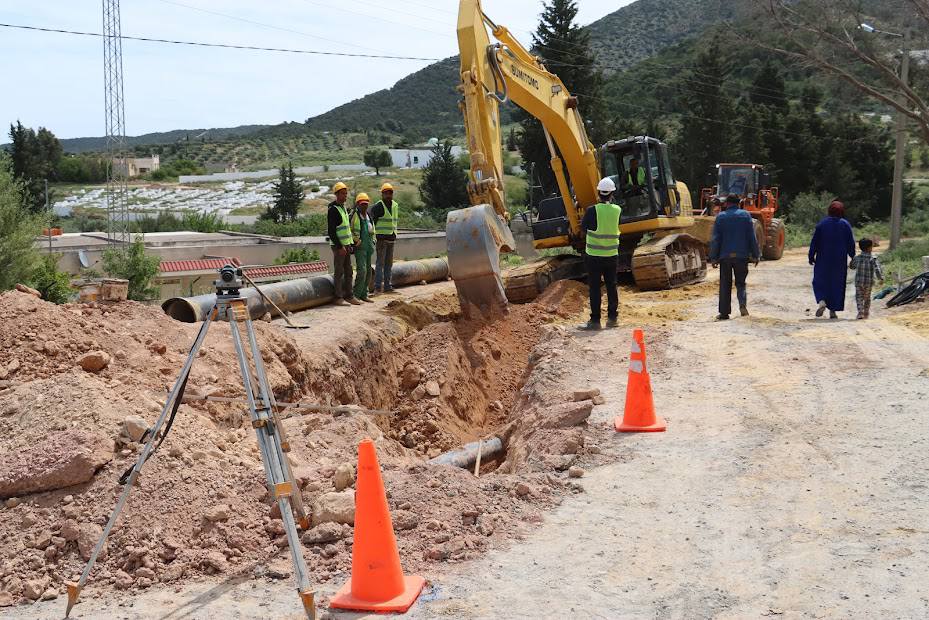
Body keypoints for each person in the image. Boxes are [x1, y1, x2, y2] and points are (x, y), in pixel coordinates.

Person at [578, 177, 622, 330]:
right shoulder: (617, 210)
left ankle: (595, 321)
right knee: (612, 286)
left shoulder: (592, 210)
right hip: (611, 255)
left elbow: (583, 229)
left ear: (598, 193)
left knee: (595, 288)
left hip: (594, 256)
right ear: (612, 194)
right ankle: (612, 318)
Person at [708, 193, 760, 320]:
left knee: (725, 284)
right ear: (739, 203)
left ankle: (724, 313)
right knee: (741, 283)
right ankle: (742, 304)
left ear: (726, 203)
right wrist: (756, 254)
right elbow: (751, 237)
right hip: (741, 256)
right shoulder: (746, 215)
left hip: (725, 256)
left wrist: (713, 257)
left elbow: (716, 239)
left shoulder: (721, 217)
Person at [809, 200, 856, 319]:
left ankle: (821, 301)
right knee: (837, 284)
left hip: (823, 258)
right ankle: (833, 311)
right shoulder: (845, 225)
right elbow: (851, 243)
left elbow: (814, 242)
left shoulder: (821, 224)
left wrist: (811, 256)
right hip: (839, 260)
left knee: (819, 280)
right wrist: (853, 256)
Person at [327, 181, 360, 306]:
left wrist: (350, 245)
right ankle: (338, 297)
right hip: (339, 246)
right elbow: (331, 231)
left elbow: (346, 230)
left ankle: (349, 295)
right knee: (339, 271)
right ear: (336, 194)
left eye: (346, 194)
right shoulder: (333, 210)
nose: (345, 196)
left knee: (349, 271)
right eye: (342, 193)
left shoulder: (344, 209)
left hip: (346, 245)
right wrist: (340, 246)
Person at [370, 182, 399, 294]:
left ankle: (387, 286)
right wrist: (374, 236)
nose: (388, 195)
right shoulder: (378, 206)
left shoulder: (395, 205)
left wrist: (395, 234)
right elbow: (372, 221)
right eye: (386, 193)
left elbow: (394, 221)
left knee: (389, 264)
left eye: (390, 193)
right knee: (380, 264)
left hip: (391, 238)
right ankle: (378, 287)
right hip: (381, 239)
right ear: (382, 194)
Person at [350, 193, 376, 304]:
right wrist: (356, 240)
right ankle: (356, 294)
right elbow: (351, 231)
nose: (364, 206)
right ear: (358, 204)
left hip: (369, 247)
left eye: (366, 204)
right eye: (362, 204)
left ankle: (364, 294)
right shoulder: (355, 216)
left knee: (368, 271)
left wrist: (374, 240)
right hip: (360, 248)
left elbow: (373, 230)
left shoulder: (369, 216)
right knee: (362, 270)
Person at [849, 238, 884, 319]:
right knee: (867, 298)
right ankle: (866, 313)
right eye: (871, 246)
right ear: (869, 248)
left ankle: (860, 313)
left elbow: (852, 267)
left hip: (859, 282)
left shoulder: (857, 258)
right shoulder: (873, 259)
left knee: (859, 297)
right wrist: (880, 278)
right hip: (869, 283)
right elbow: (877, 269)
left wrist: (852, 260)